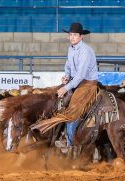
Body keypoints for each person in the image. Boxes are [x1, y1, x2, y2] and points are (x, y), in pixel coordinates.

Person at [31, 22, 98, 152]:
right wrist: (66, 76)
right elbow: (68, 66)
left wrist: (66, 87)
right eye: (70, 34)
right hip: (75, 81)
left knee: (73, 109)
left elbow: (81, 75)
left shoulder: (85, 51)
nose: (72, 37)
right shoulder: (71, 49)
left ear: (81, 37)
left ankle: (69, 141)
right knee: (54, 99)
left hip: (87, 84)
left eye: (75, 35)